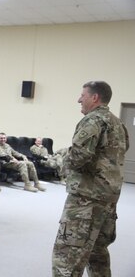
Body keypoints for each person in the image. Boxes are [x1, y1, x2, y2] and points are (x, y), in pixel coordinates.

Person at [52, 81, 129, 277]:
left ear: (95, 98)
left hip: (86, 201)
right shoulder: (118, 124)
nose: (79, 99)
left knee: (67, 259)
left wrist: (61, 160)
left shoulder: (92, 120)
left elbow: (78, 157)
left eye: (83, 95)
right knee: (97, 255)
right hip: (108, 201)